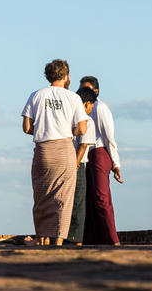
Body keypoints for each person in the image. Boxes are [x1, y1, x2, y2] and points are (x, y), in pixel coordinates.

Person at [21, 59, 87, 246]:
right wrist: (67, 130)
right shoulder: (73, 98)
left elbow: (26, 127)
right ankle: (58, 240)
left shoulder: (36, 95)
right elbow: (82, 128)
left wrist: (43, 129)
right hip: (65, 148)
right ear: (66, 76)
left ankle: (41, 238)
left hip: (43, 150)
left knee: (41, 195)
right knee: (63, 197)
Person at [79, 75, 123, 245]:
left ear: (96, 91)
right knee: (88, 200)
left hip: (99, 152)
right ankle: (91, 239)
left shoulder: (100, 108)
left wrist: (116, 163)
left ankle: (113, 239)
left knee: (101, 198)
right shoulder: (80, 109)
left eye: (88, 89)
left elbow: (109, 137)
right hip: (85, 155)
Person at [66, 86, 98, 245]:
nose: (92, 108)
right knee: (78, 202)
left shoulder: (68, 117)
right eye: (91, 104)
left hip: (63, 162)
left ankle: (62, 236)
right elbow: (83, 146)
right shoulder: (87, 121)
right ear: (86, 104)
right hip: (77, 165)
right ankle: (76, 239)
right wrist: (76, 165)